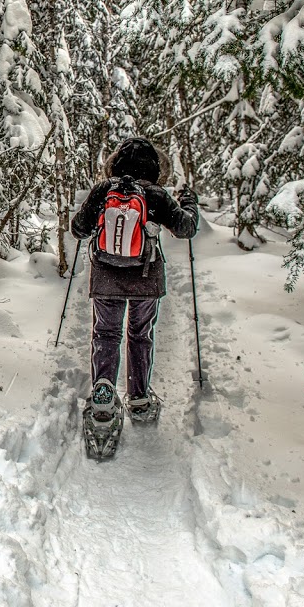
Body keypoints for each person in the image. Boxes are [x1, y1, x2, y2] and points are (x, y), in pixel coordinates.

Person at [70, 137, 199, 434]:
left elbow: (78, 229)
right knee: (140, 335)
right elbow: (185, 228)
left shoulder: (105, 190)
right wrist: (188, 201)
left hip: (105, 276)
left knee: (106, 334)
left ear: (116, 163)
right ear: (154, 166)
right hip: (145, 278)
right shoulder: (155, 194)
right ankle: (139, 398)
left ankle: (103, 397)